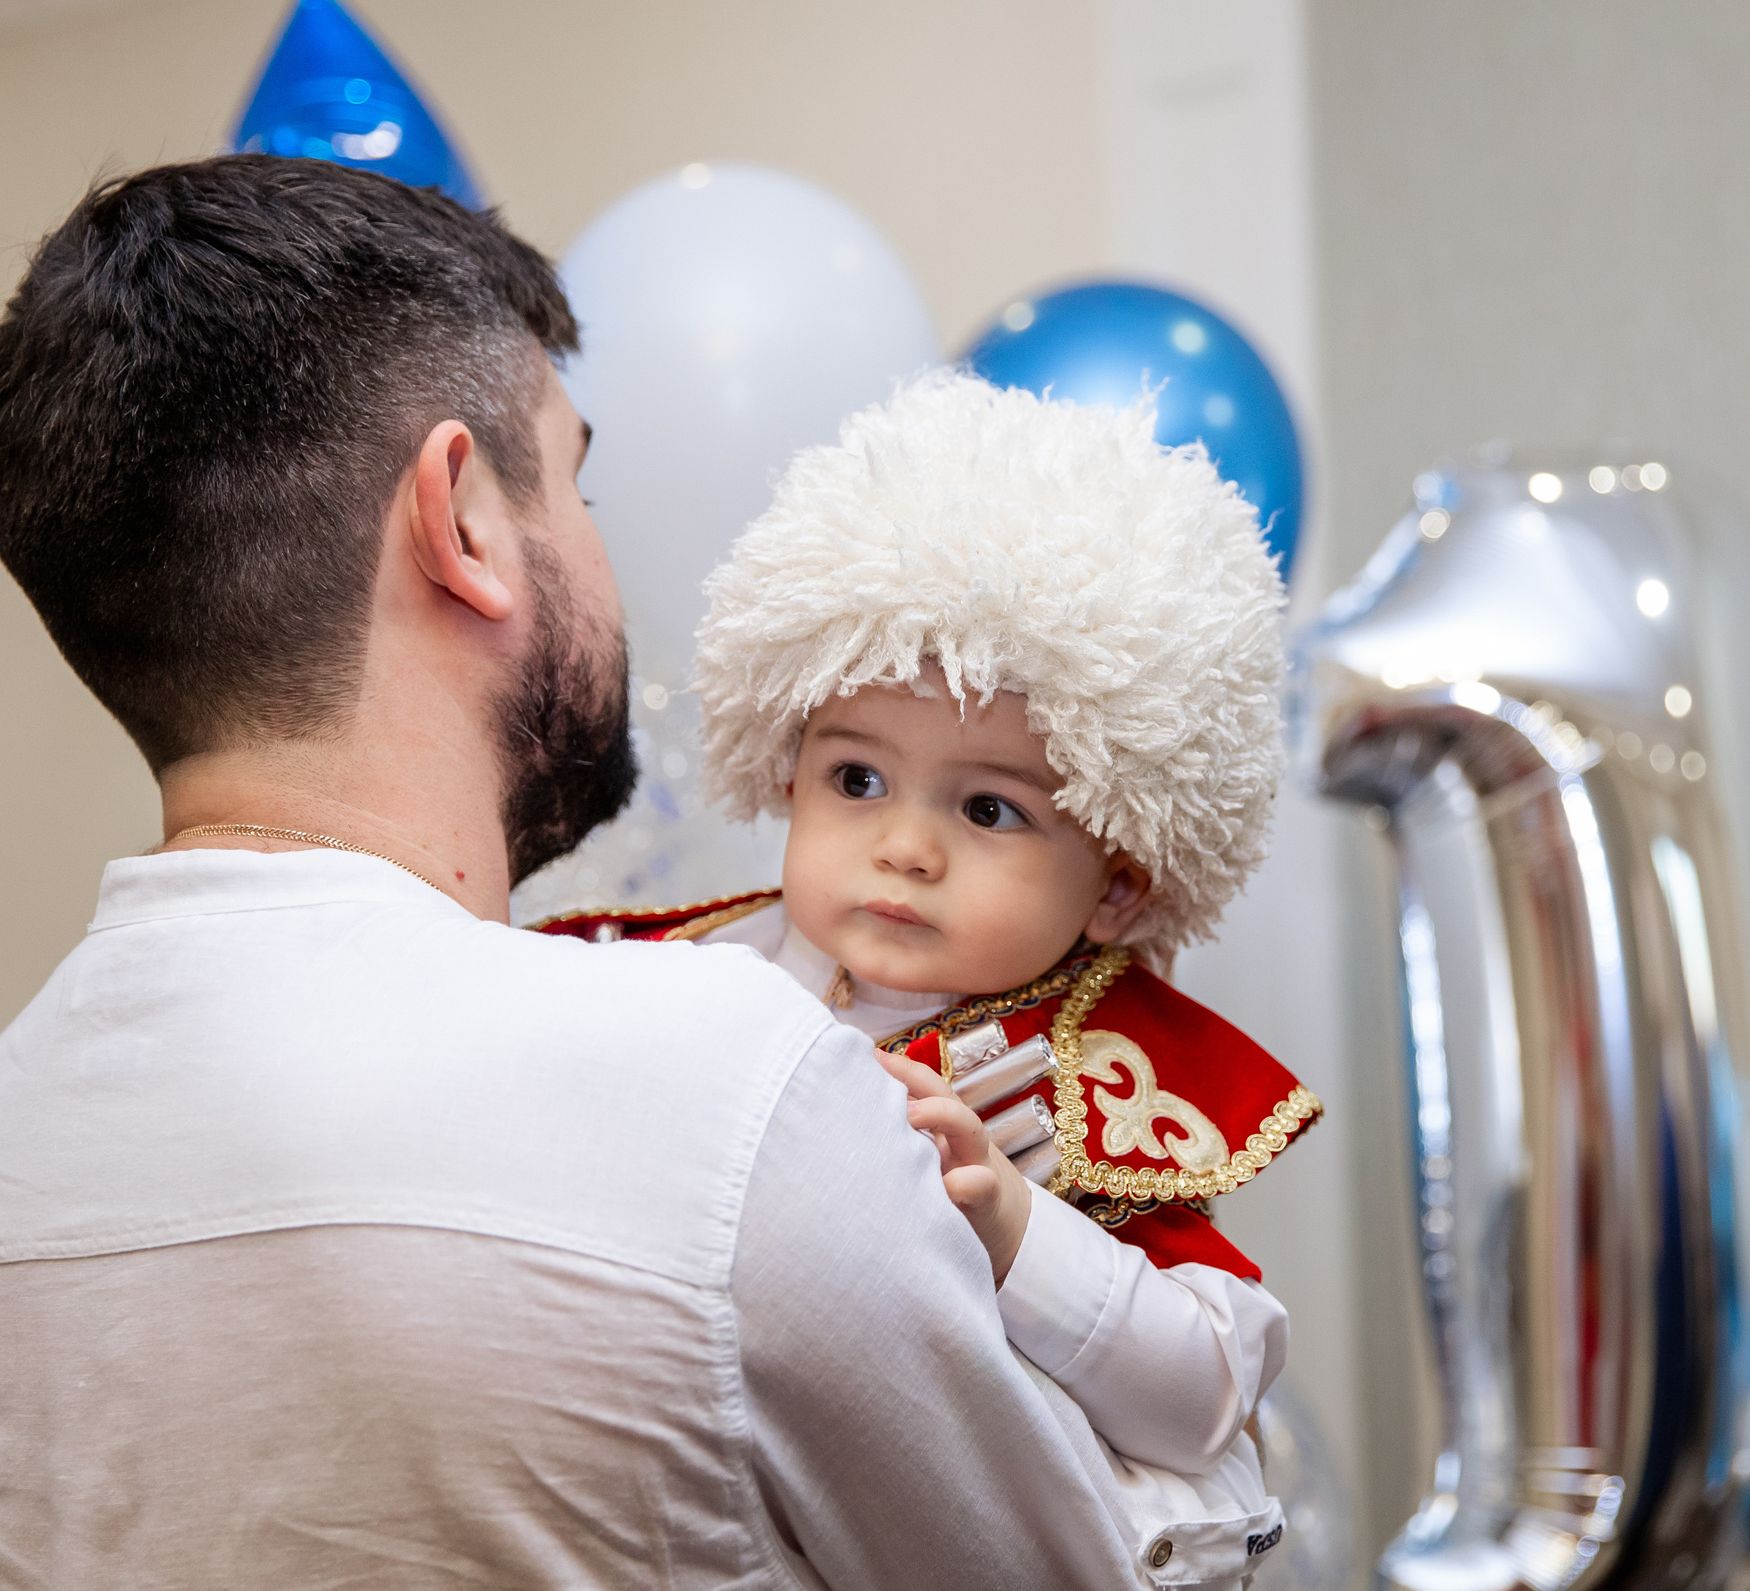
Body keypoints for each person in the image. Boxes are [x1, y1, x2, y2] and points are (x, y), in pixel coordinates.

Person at [0, 155, 1255, 1591]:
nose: (608, 550)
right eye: (578, 483)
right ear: (463, 518)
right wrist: (1199, 1450)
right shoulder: (733, 1085)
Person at [535, 374, 1317, 1486]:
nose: (905, 846)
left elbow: (1211, 1401)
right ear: (787, 771)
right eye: (857, 779)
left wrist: (1019, 1236)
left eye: (988, 809)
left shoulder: (1097, 1074)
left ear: (1117, 886)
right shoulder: (660, 972)